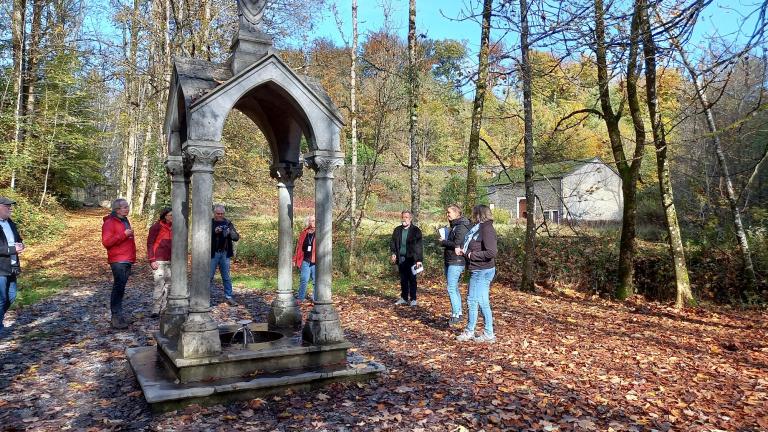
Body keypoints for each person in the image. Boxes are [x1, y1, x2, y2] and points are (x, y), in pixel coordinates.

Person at [456, 204, 497, 343]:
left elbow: (491, 252)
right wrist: (464, 250)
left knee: (473, 300)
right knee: (482, 301)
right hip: (479, 269)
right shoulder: (478, 228)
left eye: (474, 214)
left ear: (480, 214)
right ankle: (488, 332)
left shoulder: (486, 229)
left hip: (482, 270)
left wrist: (470, 254)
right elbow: (474, 244)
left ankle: (471, 331)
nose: (473, 216)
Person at [101, 198, 136, 329]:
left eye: (127, 206)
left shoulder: (124, 220)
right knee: (118, 288)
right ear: (117, 209)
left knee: (121, 288)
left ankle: (119, 317)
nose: (127, 209)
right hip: (118, 260)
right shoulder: (110, 223)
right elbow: (106, 242)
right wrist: (124, 235)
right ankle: (116, 318)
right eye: (125, 207)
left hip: (126, 259)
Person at [440, 204, 471, 326]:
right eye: (447, 213)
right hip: (450, 260)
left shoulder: (461, 227)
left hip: (457, 261)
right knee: (453, 287)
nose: (447, 215)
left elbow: (458, 244)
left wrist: (443, 242)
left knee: (451, 288)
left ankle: (456, 313)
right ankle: (457, 312)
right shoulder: (455, 226)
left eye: (449, 212)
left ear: (457, 213)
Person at [0, 197, 24, 334]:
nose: (10, 208)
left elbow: (18, 239)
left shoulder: (10, 223)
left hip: (13, 265)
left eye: (10, 206)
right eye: (7, 206)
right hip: (1, 268)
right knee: (1, 298)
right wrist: (12, 249)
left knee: (12, 296)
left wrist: (21, 245)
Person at [389, 210, 423, 306]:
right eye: (403, 217)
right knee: (403, 279)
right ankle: (404, 298)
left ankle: (413, 299)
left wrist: (419, 260)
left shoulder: (416, 231)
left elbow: (419, 246)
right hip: (401, 258)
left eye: (406, 217)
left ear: (410, 219)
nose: (404, 219)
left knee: (412, 279)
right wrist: (393, 253)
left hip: (412, 259)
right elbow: (393, 243)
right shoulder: (397, 230)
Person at [210, 204, 240, 306]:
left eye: (222, 214)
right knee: (209, 276)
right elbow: (203, 236)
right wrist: (214, 232)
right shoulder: (210, 223)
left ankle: (229, 297)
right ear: (214, 213)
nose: (220, 215)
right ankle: (204, 298)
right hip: (212, 253)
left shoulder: (228, 223)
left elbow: (236, 238)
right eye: (218, 213)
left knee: (226, 277)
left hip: (224, 253)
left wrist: (230, 232)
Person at [147, 207, 172, 317]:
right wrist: (152, 260)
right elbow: (150, 244)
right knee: (159, 285)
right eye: (171, 215)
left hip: (171, 261)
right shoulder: (156, 227)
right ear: (165, 216)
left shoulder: (175, 227)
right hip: (159, 260)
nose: (173, 217)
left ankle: (165, 309)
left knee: (169, 286)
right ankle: (155, 310)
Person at [293, 215, 316, 303]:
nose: (312, 222)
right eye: (311, 221)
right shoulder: (304, 233)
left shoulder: (320, 232)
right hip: (305, 260)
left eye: (314, 220)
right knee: (304, 279)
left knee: (315, 280)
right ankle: (301, 298)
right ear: (308, 222)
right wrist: (295, 259)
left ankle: (315, 298)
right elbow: (298, 247)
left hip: (315, 261)